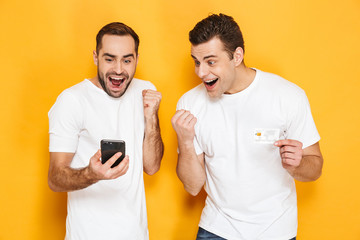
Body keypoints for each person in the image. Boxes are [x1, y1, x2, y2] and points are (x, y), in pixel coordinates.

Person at [171, 14, 323, 240]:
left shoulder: (288, 96)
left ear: (237, 56)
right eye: (196, 61)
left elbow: (315, 167)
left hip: (275, 230)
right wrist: (184, 141)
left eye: (211, 62)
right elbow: (193, 186)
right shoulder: (189, 104)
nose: (200, 72)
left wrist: (297, 164)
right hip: (217, 228)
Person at [48, 22, 163, 240]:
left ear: (137, 59)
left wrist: (151, 119)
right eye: (109, 59)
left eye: (127, 60)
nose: (118, 70)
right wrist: (91, 174)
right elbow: (55, 178)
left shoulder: (145, 91)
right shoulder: (72, 101)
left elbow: (152, 166)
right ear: (95, 57)